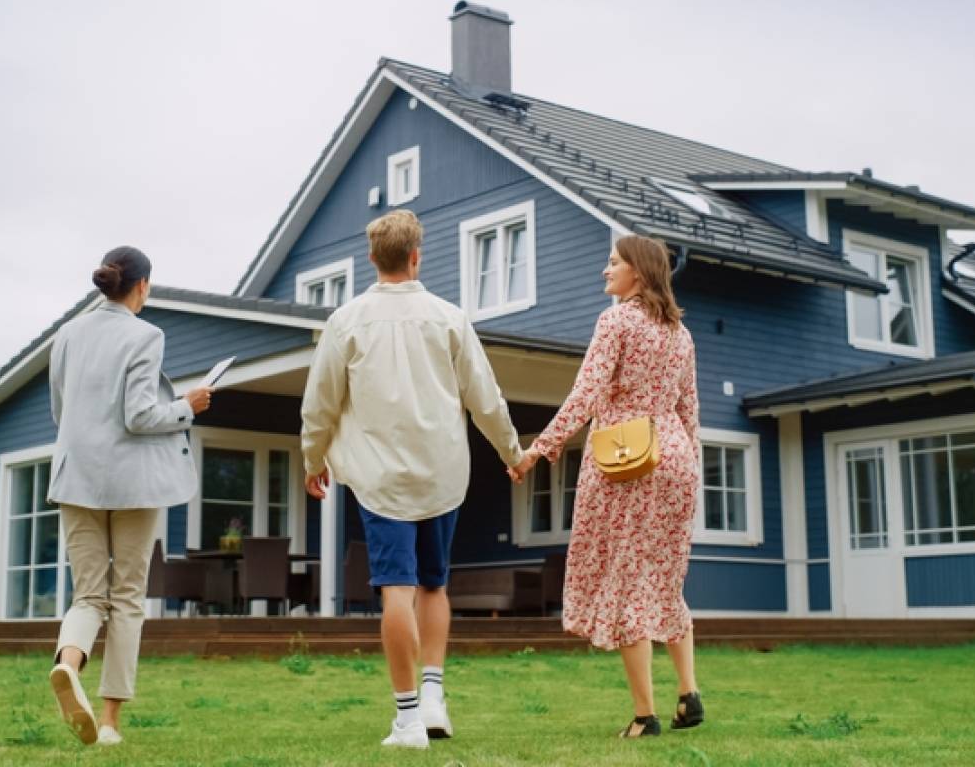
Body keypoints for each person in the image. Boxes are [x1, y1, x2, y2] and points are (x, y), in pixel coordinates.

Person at [300, 209, 525, 750]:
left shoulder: (346, 321)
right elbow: (485, 399)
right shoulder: (450, 317)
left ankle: (407, 722)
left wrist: (314, 461)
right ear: (417, 256)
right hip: (442, 474)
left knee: (397, 590)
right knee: (434, 585)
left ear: (373, 260)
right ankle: (432, 696)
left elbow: (320, 404)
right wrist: (512, 452)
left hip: (381, 481)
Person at [509, 235, 705, 738]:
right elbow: (689, 412)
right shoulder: (680, 334)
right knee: (664, 580)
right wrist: (692, 472)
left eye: (613, 263)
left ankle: (645, 715)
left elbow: (587, 393)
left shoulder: (616, 320)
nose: (604, 270)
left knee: (627, 583)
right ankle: (689, 694)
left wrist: (541, 448)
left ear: (637, 272)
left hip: (628, 457)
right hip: (676, 457)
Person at [44, 246, 215, 747]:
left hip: (75, 478)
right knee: (126, 598)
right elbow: (140, 415)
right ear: (141, 286)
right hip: (133, 484)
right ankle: (111, 723)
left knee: (89, 594)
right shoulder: (146, 335)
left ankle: (69, 665)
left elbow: (62, 411)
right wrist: (187, 405)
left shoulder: (67, 334)